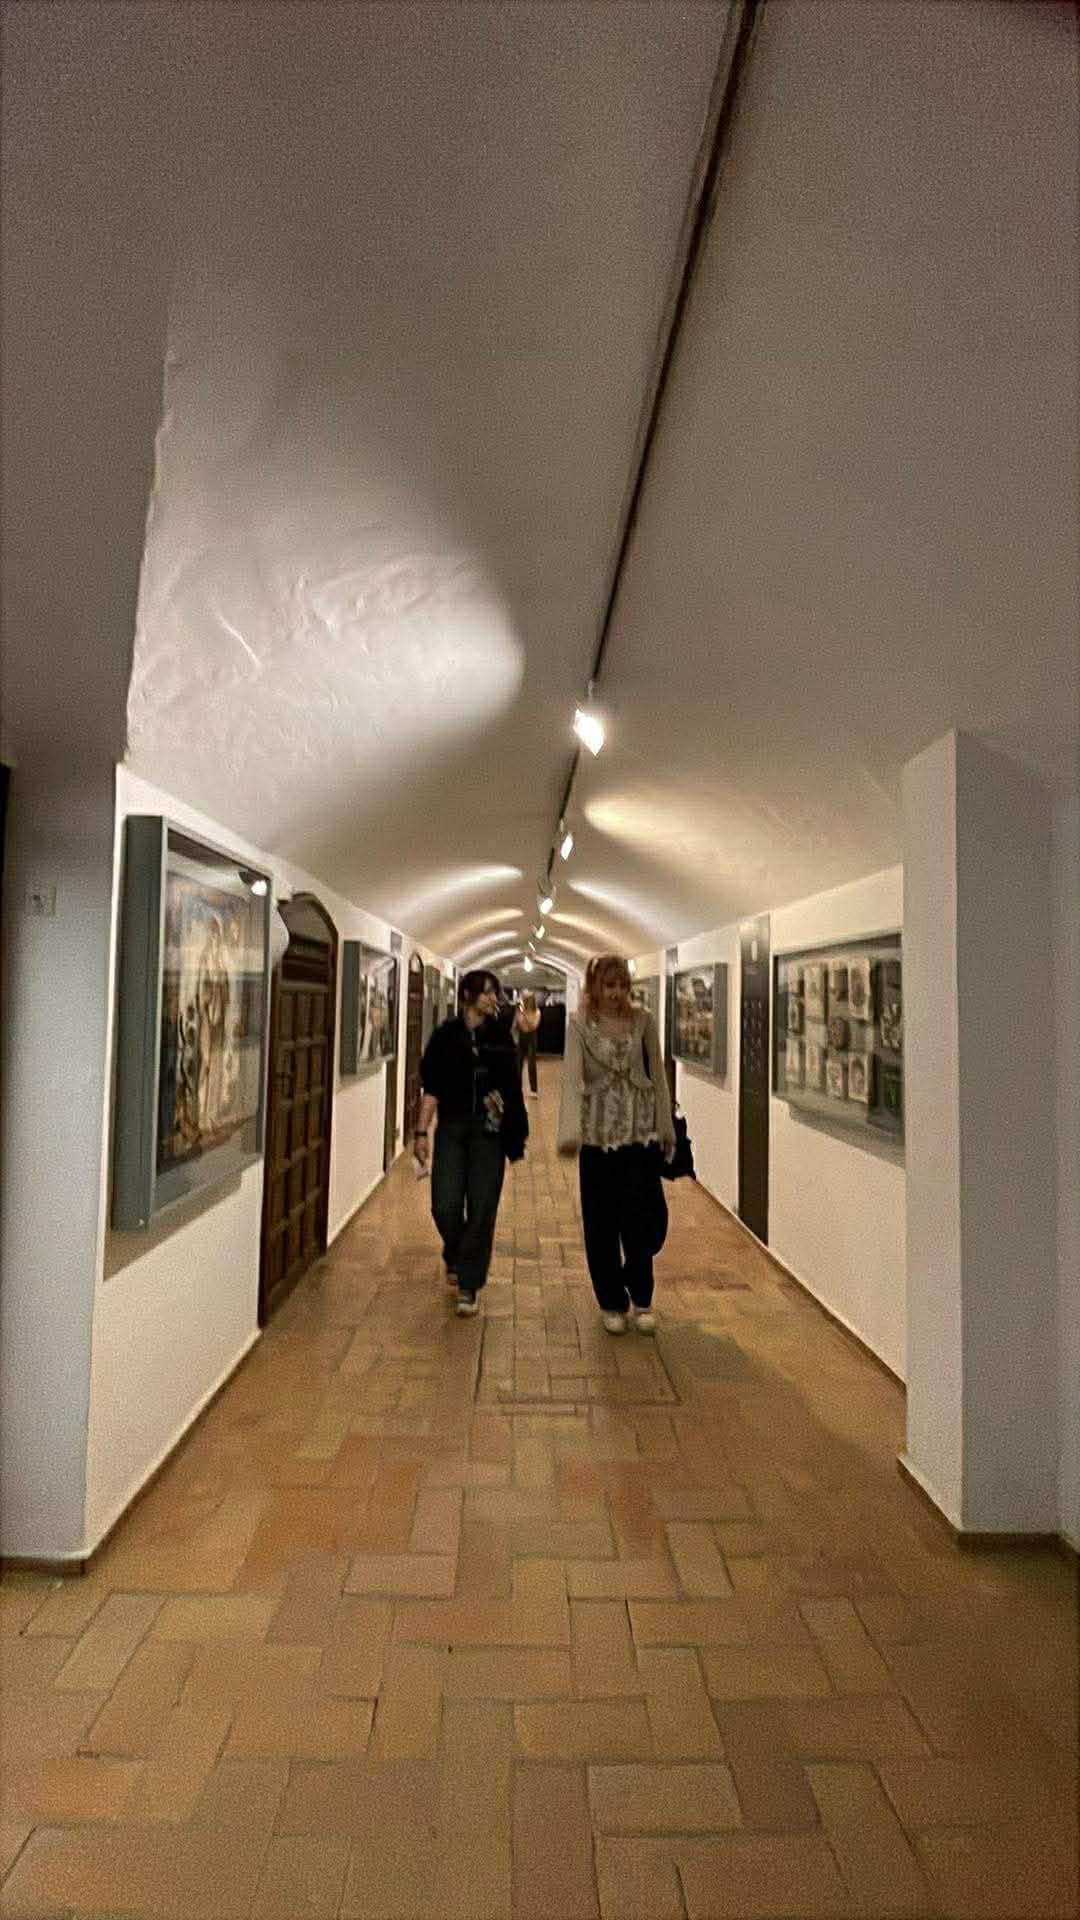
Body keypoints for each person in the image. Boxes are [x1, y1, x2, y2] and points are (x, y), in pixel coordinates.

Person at [558, 955, 674, 1334]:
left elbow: (658, 1074)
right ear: (595, 987)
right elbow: (571, 1079)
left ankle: (642, 1296)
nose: (617, 993)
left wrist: (665, 1126)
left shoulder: (643, 1021)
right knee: (601, 1224)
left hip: (639, 1135)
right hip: (597, 1138)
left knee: (642, 1221)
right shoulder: (579, 1025)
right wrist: (569, 1132)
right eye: (609, 986)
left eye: (623, 985)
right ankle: (611, 1300)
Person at [414, 968, 528, 1316]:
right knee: (444, 1205)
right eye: (486, 992)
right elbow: (431, 1088)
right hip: (452, 1127)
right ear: (466, 996)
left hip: (489, 1131)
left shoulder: (500, 1037)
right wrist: (421, 1132)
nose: (493, 998)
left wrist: (515, 1130)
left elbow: (512, 1088)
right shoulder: (445, 1036)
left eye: (495, 992)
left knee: (482, 1207)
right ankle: (456, 1250)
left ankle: (469, 1284)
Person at [513, 991, 541, 1097]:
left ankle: (534, 1090)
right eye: (525, 999)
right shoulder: (519, 1011)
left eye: (528, 1000)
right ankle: (517, 1088)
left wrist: (525, 1016)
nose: (526, 1002)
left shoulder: (537, 1012)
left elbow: (533, 1026)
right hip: (521, 1037)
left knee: (531, 1064)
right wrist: (520, 1015)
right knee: (518, 1064)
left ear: (532, 1001)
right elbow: (518, 1025)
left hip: (531, 1038)